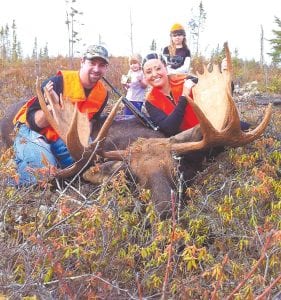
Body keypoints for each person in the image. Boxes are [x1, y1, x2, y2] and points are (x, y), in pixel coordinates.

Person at [12, 45, 110, 186]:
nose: (96, 69)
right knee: (43, 174)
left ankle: (52, 160)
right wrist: (54, 107)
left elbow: (91, 121)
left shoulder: (102, 94)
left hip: (61, 136)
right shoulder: (57, 83)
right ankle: (10, 177)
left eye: (101, 65)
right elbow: (34, 122)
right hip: (32, 131)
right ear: (82, 61)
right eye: (92, 63)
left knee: (86, 162)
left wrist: (85, 142)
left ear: (106, 68)